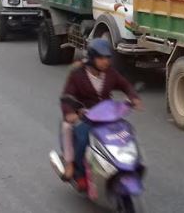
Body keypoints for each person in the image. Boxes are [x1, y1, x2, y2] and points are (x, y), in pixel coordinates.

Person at [59, 38, 144, 188]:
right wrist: (71, 113)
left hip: (107, 114)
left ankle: (126, 163)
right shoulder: (77, 74)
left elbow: (125, 85)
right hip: (86, 116)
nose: (105, 62)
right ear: (92, 58)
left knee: (126, 134)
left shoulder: (110, 73)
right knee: (83, 139)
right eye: (101, 58)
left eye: (107, 58)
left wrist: (133, 97)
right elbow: (67, 97)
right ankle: (76, 169)